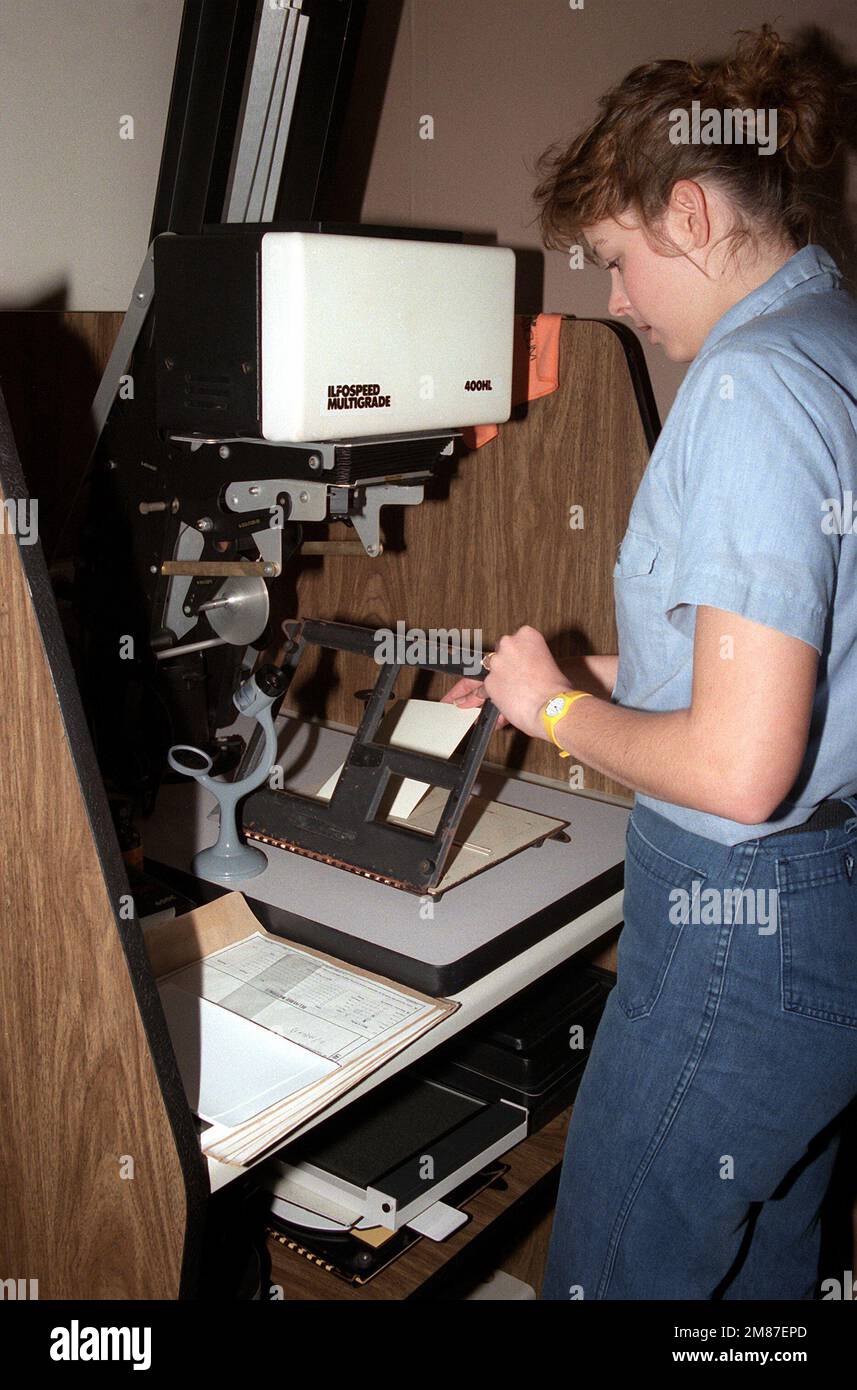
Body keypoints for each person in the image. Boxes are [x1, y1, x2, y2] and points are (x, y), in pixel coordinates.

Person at [442, 24, 857, 1300]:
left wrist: (552, 704)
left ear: (687, 209)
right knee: (758, 1272)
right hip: (824, 901)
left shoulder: (744, 388)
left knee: (616, 1275)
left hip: (739, 921)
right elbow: (786, 656)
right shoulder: (832, 336)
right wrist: (602, 676)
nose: (615, 298)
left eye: (618, 258)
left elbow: (736, 768)